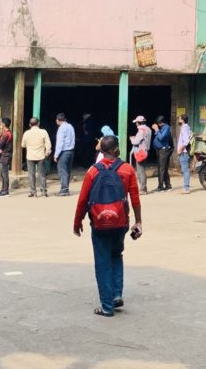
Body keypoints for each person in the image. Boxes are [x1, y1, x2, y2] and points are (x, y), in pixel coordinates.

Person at [72, 135, 142, 318]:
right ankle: (117, 294)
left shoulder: (93, 171)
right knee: (116, 255)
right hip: (121, 222)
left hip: (99, 222)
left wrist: (77, 221)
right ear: (117, 149)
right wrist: (139, 221)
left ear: (101, 151)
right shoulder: (127, 169)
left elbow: (82, 200)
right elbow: (135, 198)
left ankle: (106, 306)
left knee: (102, 262)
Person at [22, 117, 51, 197]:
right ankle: (43, 191)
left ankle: (32, 191)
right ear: (38, 123)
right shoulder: (43, 132)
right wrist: (47, 152)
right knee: (42, 174)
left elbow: (23, 145)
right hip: (40, 156)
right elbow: (48, 143)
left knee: (31, 174)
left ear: (30, 125)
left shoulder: (27, 133)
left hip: (30, 156)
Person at [53, 113, 76, 197]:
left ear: (58, 120)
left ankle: (64, 190)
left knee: (63, 171)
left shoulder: (61, 129)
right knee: (67, 171)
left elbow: (60, 142)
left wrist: (56, 155)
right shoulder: (71, 127)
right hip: (71, 151)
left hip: (64, 152)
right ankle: (65, 188)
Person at [129, 115, 151, 196]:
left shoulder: (141, 130)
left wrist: (132, 139)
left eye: (136, 122)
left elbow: (136, 142)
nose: (136, 124)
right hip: (146, 151)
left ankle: (143, 189)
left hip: (140, 152)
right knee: (142, 169)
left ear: (139, 122)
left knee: (140, 171)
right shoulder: (148, 129)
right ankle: (143, 188)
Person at [151, 116, 174, 192]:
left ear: (160, 122)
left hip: (163, 150)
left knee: (161, 169)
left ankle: (161, 187)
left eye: (158, 123)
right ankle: (168, 185)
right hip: (160, 150)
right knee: (164, 169)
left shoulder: (166, 128)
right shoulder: (163, 128)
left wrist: (156, 129)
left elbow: (161, 137)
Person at [0, 118, 13, 197]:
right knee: (3, 173)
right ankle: (3, 189)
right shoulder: (6, 133)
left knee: (4, 173)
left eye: (1, 124)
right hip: (4, 155)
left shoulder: (6, 134)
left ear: (4, 124)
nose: (0, 125)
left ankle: (5, 190)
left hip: (6, 155)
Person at [176, 114, 193, 194]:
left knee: (185, 170)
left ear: (182, 120)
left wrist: (180, 149)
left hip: (184, 152)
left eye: (179, 119)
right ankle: (186, 187)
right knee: (185, 170)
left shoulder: (184, 128)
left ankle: (186, 188)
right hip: (184, 152)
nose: (178, 120)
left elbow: (186, 141)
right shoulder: (186, 127)